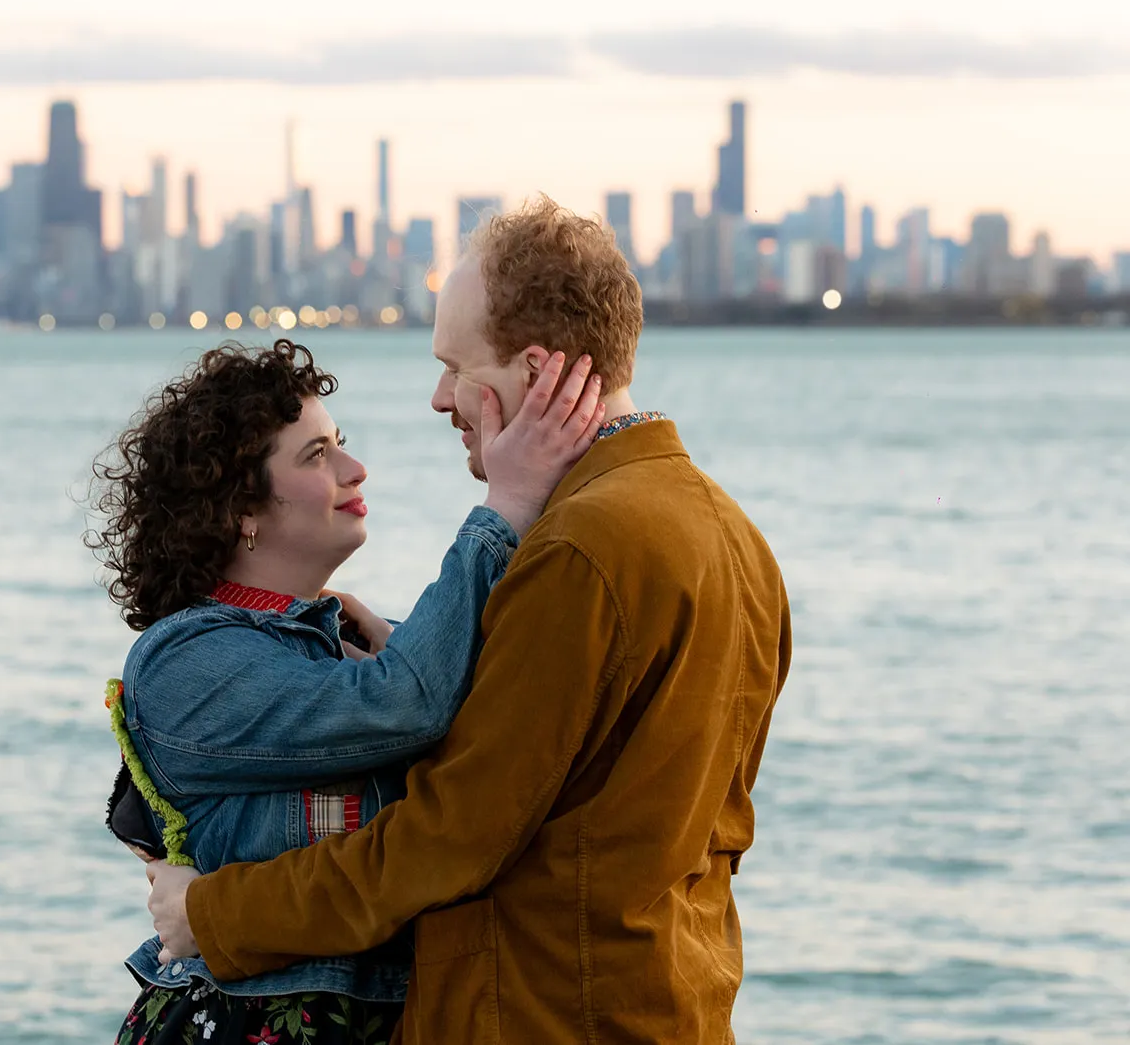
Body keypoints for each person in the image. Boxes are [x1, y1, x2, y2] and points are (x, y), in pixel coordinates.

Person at [146, 197, 793, 1044]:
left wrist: (214, 914)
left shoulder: (579, 549)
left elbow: (449, 837)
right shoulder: (731, 533)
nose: (440, 396)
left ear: (535, 371)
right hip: (673, 1002)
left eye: (457, 366)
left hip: (542, 1015)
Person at [89, 337, 606, 1045]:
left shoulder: (351, 646)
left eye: (341, 444)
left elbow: (482, 747)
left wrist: (391, 641)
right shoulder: (185, 661)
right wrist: (507, 504)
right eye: (315, 456)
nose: (355, 468)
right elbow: (407, 705)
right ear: (240, 509)